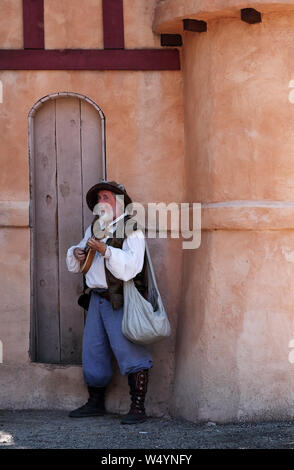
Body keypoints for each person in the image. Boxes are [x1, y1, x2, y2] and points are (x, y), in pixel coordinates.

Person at [66, 180, 153, 425]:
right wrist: (77, 252)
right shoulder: (94, 228)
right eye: (98, 199)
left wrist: (106, 251)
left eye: (105, 197)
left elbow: (133, 267)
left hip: (121, 298)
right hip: (96, 299)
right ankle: (95, 403)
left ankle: (138, 406)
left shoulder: (130, 227)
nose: (100, 202)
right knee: (93, 351)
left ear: (119, 202)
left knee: (130, 350)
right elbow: (80, 260)